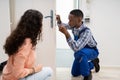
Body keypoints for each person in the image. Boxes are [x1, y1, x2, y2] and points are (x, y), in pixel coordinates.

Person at [1, 9, 52, 80]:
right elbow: (17, 73)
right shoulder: (26, 44)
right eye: (41, 23)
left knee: (44, 72)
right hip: (15, 78)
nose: (42, 25)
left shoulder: (19, 37)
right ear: (35, 25)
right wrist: (34, 69)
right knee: (49, 71)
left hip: (9, 74)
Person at [56, 9, 100, 80]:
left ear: (79, 20)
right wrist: (59, 21)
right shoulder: (73, 26)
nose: (69, 22)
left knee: (79, 53)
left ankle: (87, 75)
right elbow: (63, 26)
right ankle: (93, 63)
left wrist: (66, 34)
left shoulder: (86, 32)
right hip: (81, 51)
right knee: (75, 73)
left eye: (71, 20)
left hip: (92, 51)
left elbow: (76, 48)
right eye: (68, 20)